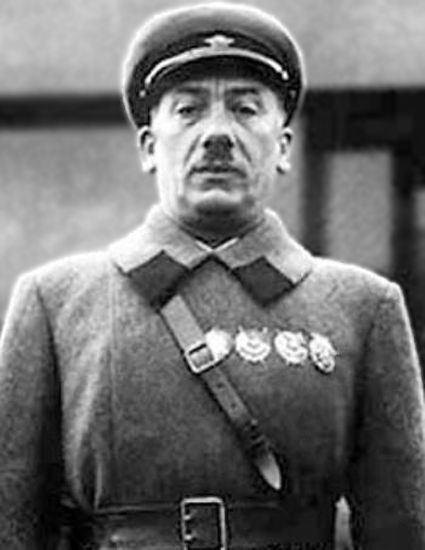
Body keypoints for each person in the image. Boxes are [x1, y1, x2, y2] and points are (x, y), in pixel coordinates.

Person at [1, 3, 425, 549]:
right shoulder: (56, 302)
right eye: (188, 110)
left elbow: (401, 528)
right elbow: (13, 523)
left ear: (284, 146)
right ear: (149, 147)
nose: (218, 134)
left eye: (245, 110)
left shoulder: (362, 307)